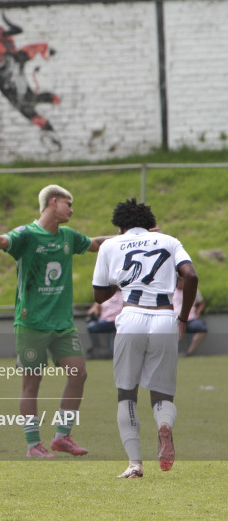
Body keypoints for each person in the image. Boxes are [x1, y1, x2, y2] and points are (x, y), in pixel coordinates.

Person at [0, 184, 110, 458]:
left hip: (62, 324)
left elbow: (96, 244)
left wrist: (131, 238)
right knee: (31, 384)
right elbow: (2, 241)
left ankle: (62, 437)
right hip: (31, 324)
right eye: (68, 204)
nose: (72, 210)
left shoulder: (69, 236)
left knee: (79, 373)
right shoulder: (27, 234)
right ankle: (33, 445)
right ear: (53, 201)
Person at [92, 198, 197, 478]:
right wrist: (183, 318)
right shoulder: (169, 240)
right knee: (162, 392)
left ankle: (135, 465)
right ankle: (164, 425)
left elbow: (99, 296)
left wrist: (122, 279)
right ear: (150, 224)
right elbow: (190, 275)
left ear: (120, 226)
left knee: (126, 393)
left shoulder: (110, 245)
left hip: (131, 317)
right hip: (164, 318)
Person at [172, 277, 207, 356]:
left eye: (180, 281)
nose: (179, 283)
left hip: (190, 318)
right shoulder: (171, 290)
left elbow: (202, 303)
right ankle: (173, 352)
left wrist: (198, 312)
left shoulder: (192, 290)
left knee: (201, 328)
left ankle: (189, 352)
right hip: (175, 319)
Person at [85, 290, 123, 360]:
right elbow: (93, 309)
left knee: (113, 350)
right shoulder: (104, 295)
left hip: (119, 322)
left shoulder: (124, 294)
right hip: (105, 321)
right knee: (91, 327)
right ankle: (97, 348)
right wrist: (94, 311)